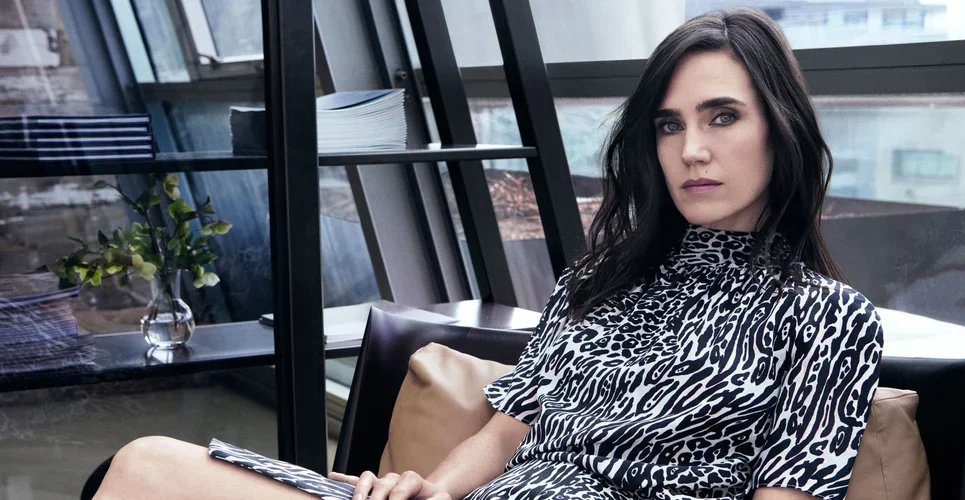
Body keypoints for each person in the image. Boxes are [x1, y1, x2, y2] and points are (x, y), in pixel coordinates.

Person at [93, 7, 883, 500]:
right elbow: (508, 432)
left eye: (721, 118)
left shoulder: (828, 320)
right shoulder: (598, 282)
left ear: (779, 130)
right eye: (670, 125)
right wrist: (426, 489)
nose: (692, 150)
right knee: (143, 465)